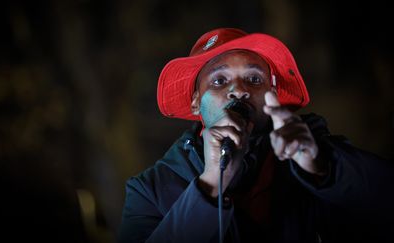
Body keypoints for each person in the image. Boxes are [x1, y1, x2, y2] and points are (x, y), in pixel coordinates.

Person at [118, 28, 394, 243]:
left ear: (272, 96)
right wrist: (212, 184)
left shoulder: (314, 152)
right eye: (219, 81)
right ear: (195, 103)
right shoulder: (148, 190)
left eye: (254, 80)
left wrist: (323, 168)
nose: (239, 90)